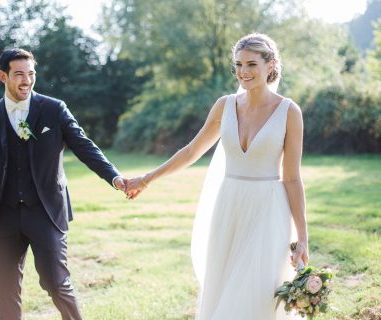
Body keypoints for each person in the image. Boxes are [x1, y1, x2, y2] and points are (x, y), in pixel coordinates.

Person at [125, 33, 309, 319]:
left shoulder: (289, 112)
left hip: (269, 210)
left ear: (270, 64)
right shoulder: (225, 106)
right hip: (229, 207)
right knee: (224, 290)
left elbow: (292, 178)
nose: (243, 72)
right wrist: (147, 178)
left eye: (251, 64)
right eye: (238, 64)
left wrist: (303, 238)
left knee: (257, 294)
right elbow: (191, 151)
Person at [0, 48, 126, 320]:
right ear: (2, 76)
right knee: (5, 289)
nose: (27, 81)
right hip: (4, 214)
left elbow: (84, 146)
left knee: (56, 283)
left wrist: (114, 177)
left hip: (46, 212)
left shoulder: (54, 109)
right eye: (19, 74)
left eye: (31, 74)